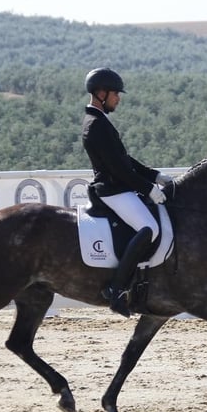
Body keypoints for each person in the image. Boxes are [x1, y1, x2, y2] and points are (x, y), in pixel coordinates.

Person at [82, 67, 173, 317]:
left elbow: (124, 159)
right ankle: (117, 289)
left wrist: (154, 175)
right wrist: (148, 189)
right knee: (150, 229)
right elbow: (118, 170)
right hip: (112, 190)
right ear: (101, 93)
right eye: (115, 94)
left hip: (118, 187)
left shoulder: (100, 122)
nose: (118, 98)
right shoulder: (96, 125)